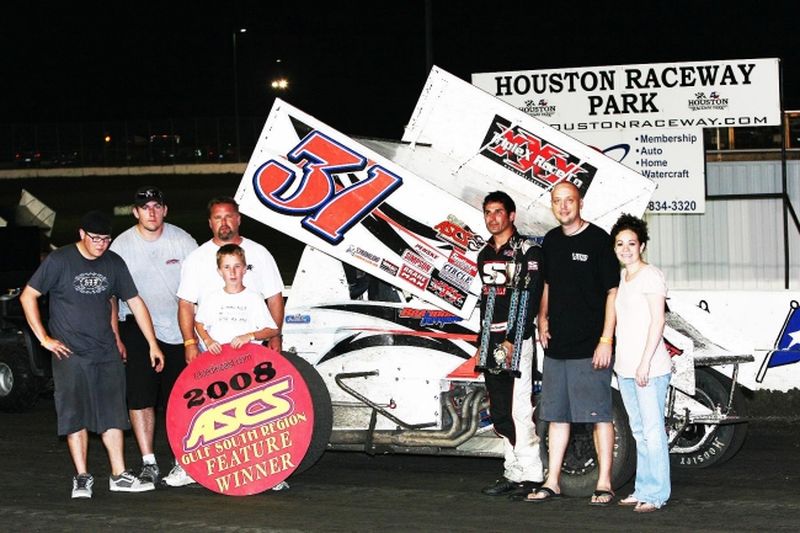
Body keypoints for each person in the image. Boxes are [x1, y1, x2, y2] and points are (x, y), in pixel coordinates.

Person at [19, 210, 164, 499]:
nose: (101, 244)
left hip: (106, 352)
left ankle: (119, 475)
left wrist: (153, 343)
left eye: (106, 239)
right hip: (69, 354)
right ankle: (82, 477)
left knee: (113, 415)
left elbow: (134, 302)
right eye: (95, 239)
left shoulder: (113, 262)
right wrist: (44, 339)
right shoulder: (60, 260)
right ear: (82, 235)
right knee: (75, 415)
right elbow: (28, 296)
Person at [165, 196, 284, 487]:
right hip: (213, 354)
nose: (224, 223)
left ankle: (268, 471)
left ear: (238, 218)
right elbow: (186, 306)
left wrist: (275, 338)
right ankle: (189, 466)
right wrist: (190, 343)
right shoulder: (197, 258)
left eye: (229, 217)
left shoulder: (260, 253)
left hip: (251, 354)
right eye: (218, 218)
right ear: (210, 223)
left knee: (254, 410)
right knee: (205, 410)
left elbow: (274, 298)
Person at [528, 181, 619, 505]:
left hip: (591, 347)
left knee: (598, 416)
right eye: (557, 201)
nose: (563, 206)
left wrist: (606, 339)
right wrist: (542, 318)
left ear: (580, 203)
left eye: (569, 200)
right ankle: (552, 481)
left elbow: (612, 292)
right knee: (556, 416)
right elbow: (548, 284)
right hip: (558, 347)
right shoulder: (551, 241)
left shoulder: (598, 240)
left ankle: (605, 483)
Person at [109, 186, 198, 485]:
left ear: (165, 210)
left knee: (181, 397)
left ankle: (183, 459)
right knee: (140, 396)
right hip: (135, 328)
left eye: (156, 206)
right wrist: (116, 337)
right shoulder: (121, 246)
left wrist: (197, 333)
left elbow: (201, 288)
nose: (151, 212)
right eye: (144, 207)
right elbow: (110, 298)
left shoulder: (183, 241)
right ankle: (149, 461)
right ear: (135, 212)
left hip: (178, 329)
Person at [475, 191, 544, 499]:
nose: (492, 218)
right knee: (500, 411)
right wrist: (482, 341)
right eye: (488, 212)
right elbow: (487, 299)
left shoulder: (527, 251)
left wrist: (513, 339)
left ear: (512, 216)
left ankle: (531, 475)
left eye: (498, 212)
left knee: (518, 409)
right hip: (492, 340)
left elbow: (528, 298)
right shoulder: (484, 253)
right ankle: (512, 471)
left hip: (516, 340)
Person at [610, 214, 671, 513]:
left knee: (653, 430)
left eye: (631, 243)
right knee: (638, 431)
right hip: (625, 368)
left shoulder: (651, 275)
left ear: (642, 245)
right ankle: (643, 488)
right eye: (620, 244)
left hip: (650, 368)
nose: (625, 249)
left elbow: (658, 320)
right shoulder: (623, 277)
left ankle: (657, 493)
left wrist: (645, 363)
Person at [195, 244, 280, 353]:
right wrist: (208, 340)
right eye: (227, 267)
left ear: (244, 269)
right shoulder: (212, 298)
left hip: (247, 358)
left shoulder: (254, 299)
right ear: (220, 271)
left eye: (237, 266)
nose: (232, 272)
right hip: (219, 358)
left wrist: (250, 336)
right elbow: (199, 322)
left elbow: (272, 330)